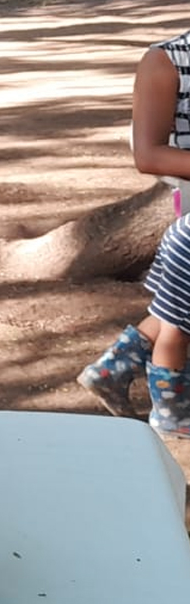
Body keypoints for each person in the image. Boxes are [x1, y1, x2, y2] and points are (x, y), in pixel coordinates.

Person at [79, 30, 190, 437]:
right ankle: (172, 413)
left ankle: (112, 369)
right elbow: (148, 154)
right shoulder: (166, 62)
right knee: (180, 320)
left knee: (178, 308)